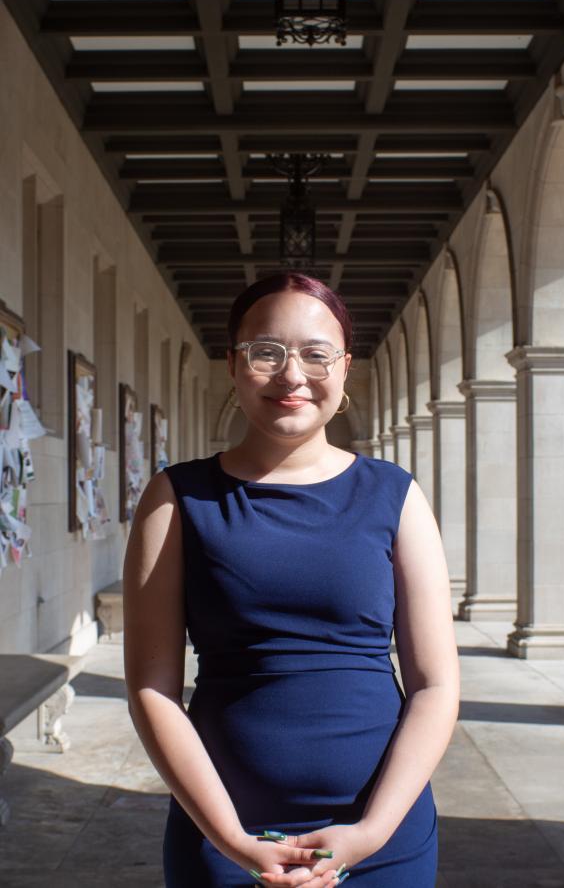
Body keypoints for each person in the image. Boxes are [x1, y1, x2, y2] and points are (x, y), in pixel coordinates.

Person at [123, 272, 460, 887]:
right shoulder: (177, 497)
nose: (292, 375)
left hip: (381, 830)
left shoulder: (395, 495)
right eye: (266, 352)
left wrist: (371, 834)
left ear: (345, 367)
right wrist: (229, 838)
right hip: (224, 830)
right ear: (233, 364)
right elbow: (152, 687)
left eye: (314, 353)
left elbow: (435, 684)